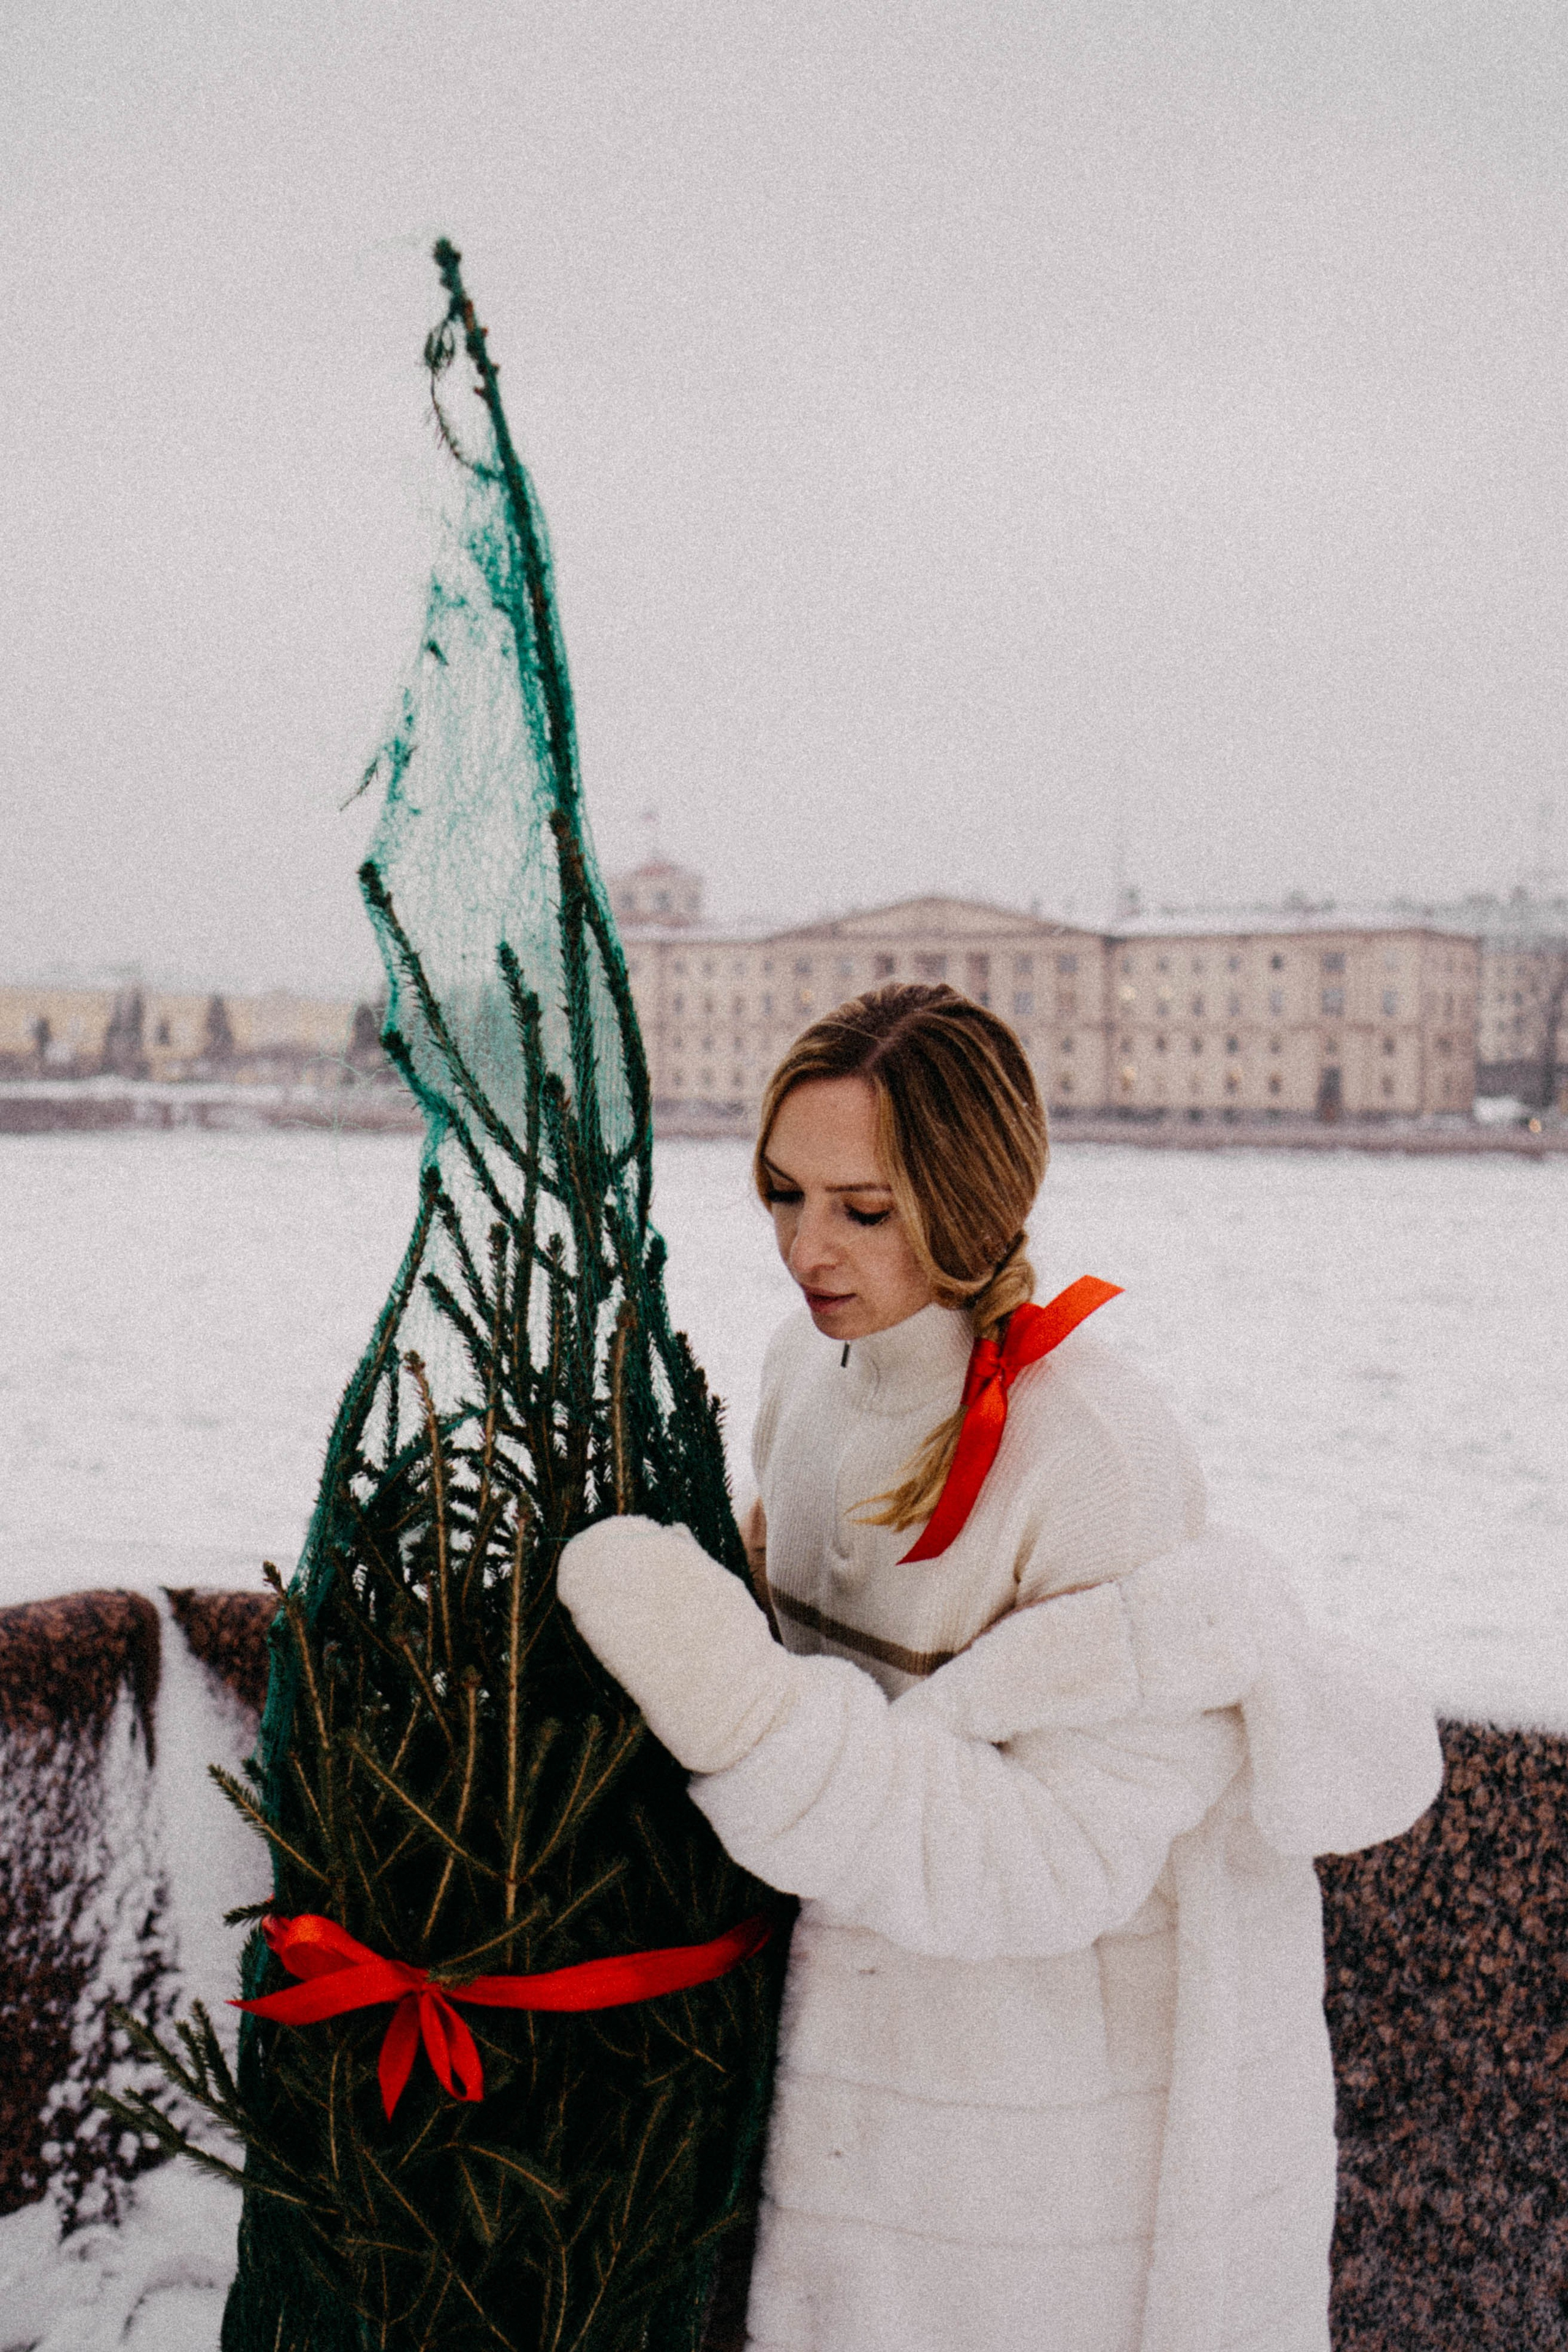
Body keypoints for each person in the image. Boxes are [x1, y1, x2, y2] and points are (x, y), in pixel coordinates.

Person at [558, 982, 1442, 2352]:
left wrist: (744, 1713)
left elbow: (1057, 1860)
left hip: (1027, 2123)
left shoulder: (1089, 1444)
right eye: (781, 1193)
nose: (806, 1246)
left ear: (968, 1197)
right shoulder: (803, 1368)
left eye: (864, 1209)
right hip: (838, 2059)